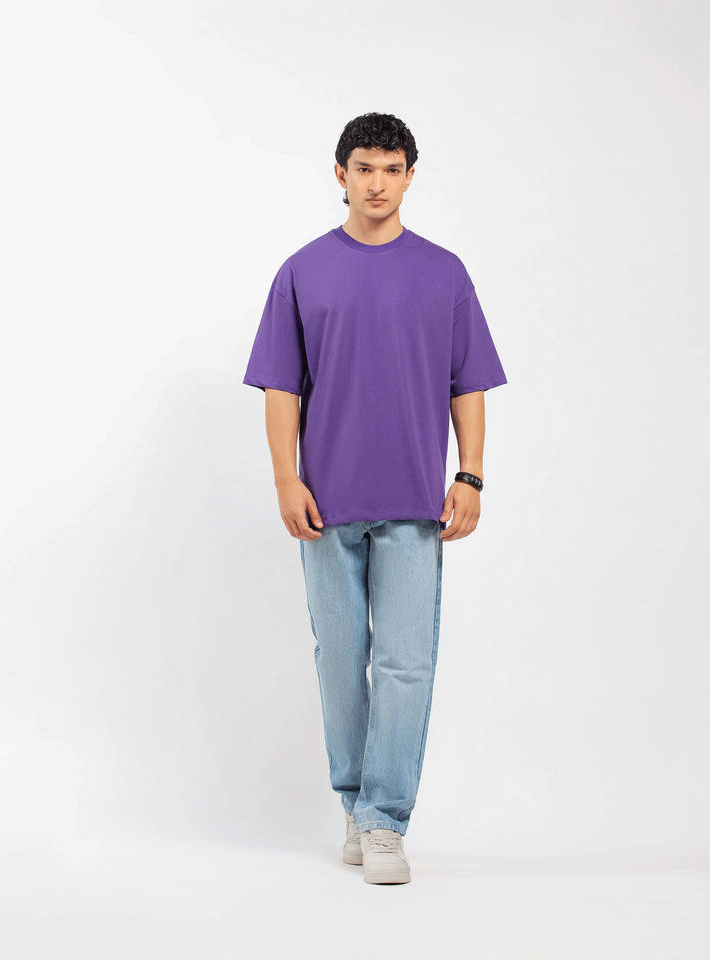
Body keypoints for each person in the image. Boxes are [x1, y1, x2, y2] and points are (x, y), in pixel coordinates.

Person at [242, 112, 507, 884]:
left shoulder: (444, 274)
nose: (378, 183)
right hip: (326, 504)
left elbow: (469, 382)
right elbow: (282, 387)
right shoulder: (303, 272)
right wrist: (286, 478)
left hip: (416, 504)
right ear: (341, 174)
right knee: (340, 661)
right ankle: (355, 802)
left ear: (410, 177)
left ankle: (384, 820)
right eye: (364, 168)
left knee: (405, 664)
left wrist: (471, 474)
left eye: (392, 169)